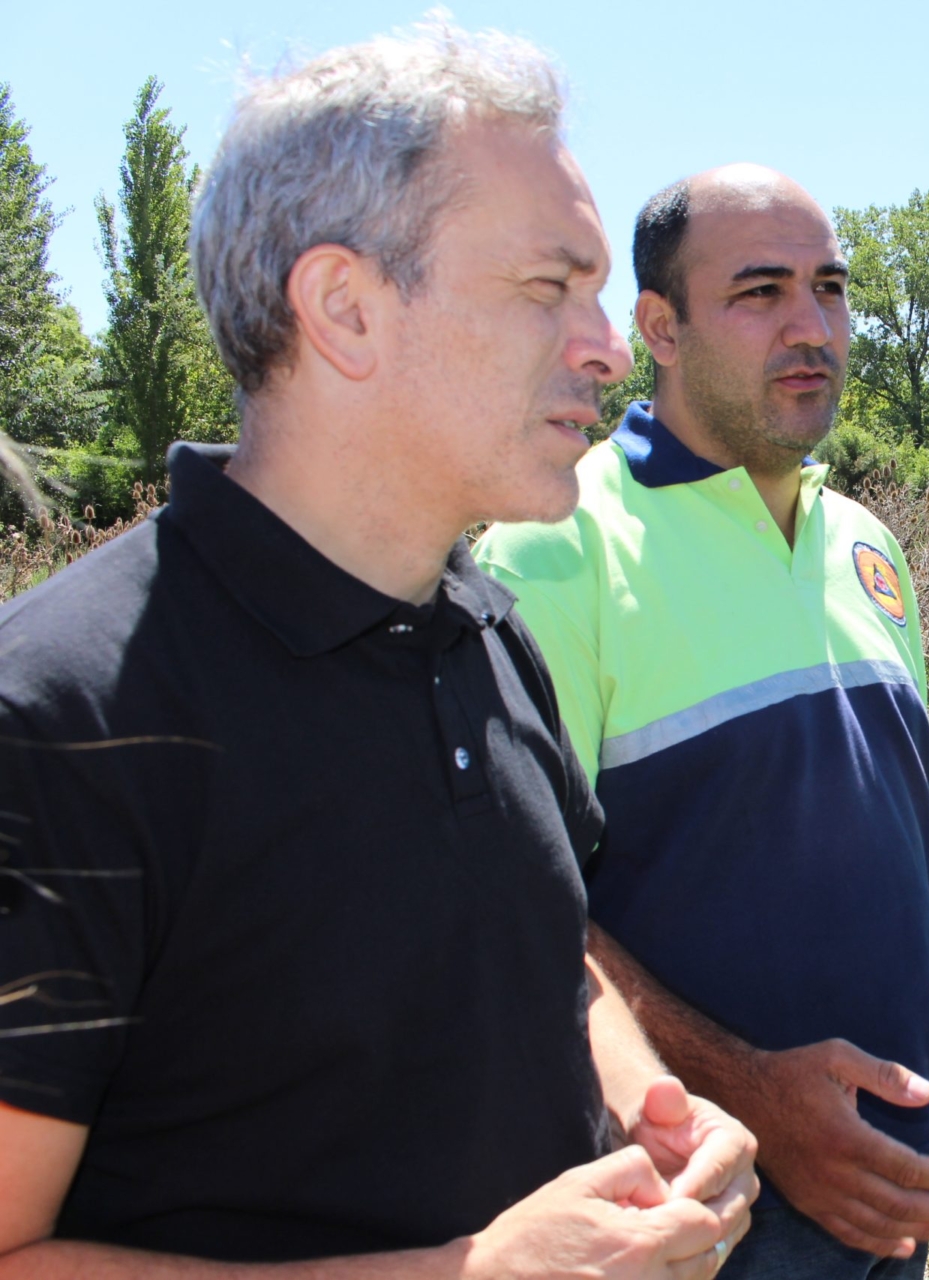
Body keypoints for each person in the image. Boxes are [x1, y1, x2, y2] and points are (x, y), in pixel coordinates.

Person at [0, 27, 758, 1278]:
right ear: (345, 307)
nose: (610, 348)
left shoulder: (491, 632)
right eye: (548, 287)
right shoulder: (59, 715)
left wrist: (648, 1101)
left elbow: (544, 948)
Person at [474, 165, 929, 1280]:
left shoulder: (865, 542)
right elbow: (510, 905)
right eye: (760, 292)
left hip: (895, 1185)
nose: (812, 327)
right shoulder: (558, 547)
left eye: (830, 288)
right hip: (701, 1206)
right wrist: (755, 1096)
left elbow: (910, 821)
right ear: (659, 327)